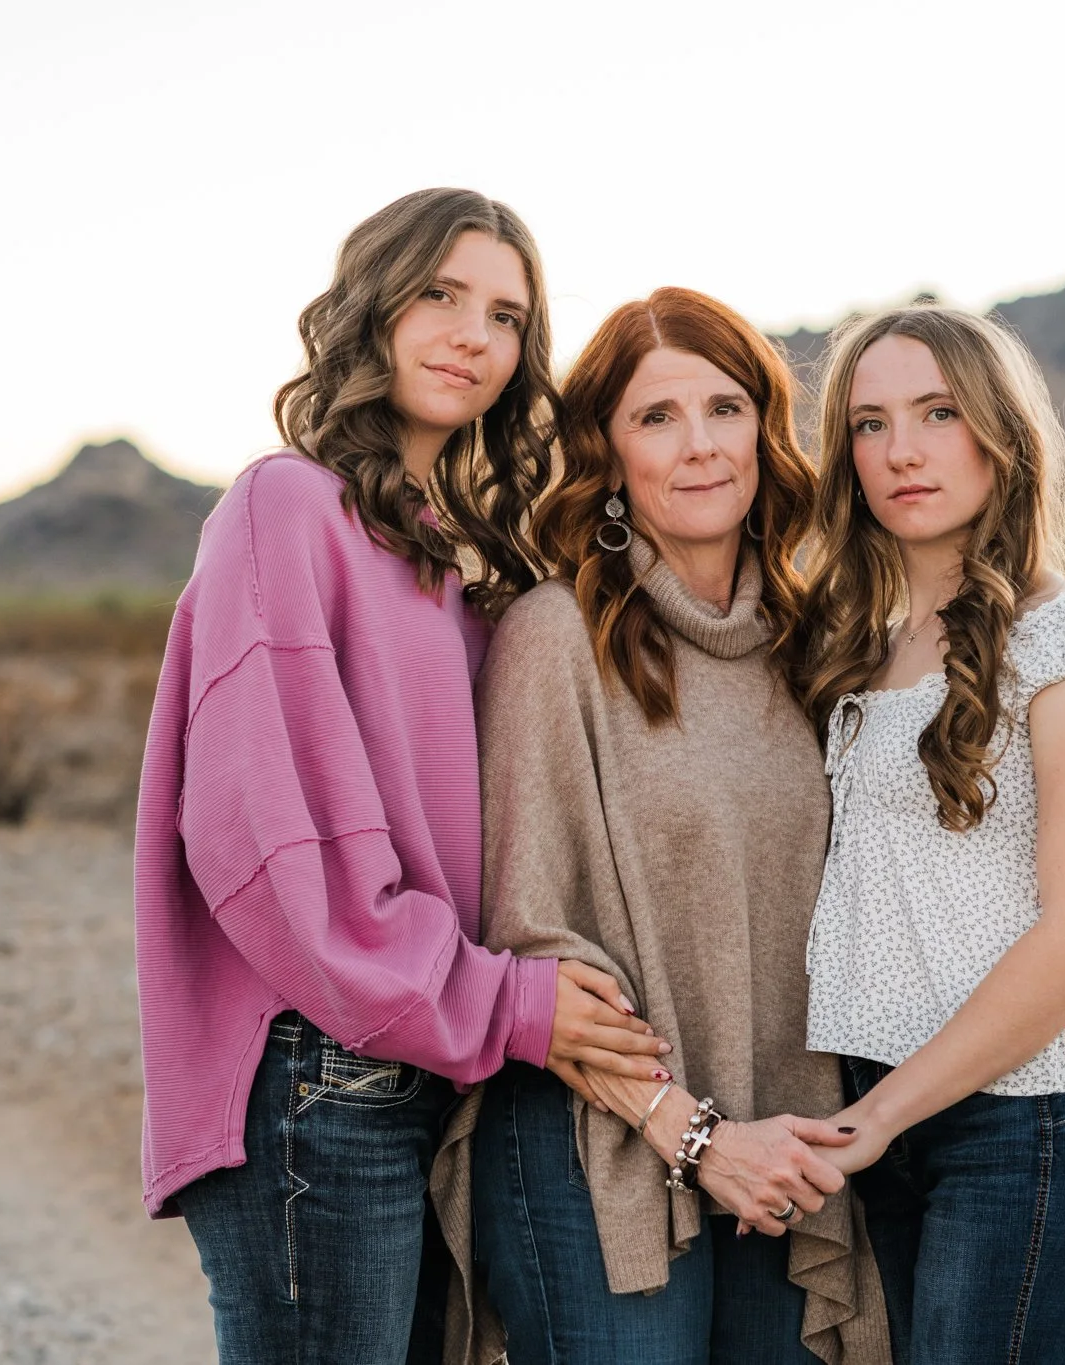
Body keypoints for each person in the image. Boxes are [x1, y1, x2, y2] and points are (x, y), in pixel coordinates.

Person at [132, 188, 669, 1365]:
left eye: (506, 315)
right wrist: (512, 1005)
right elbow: (270, 844)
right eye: (438, 294)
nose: (472, 334)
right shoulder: (287, 506)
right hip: (318, 1075)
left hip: (434, 1065)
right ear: (370, 304)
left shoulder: (457, 545)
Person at [437, 286, 888, 1365]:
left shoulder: (812, 640)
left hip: (782, 1141)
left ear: (763, 430)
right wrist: (691, 1134)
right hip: (592, 1135)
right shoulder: (558, 635)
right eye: (655, 418)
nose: (698, 448)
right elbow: (528, 936)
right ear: (606, 452)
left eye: (723, 409)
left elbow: (896, 868)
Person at [791, 304, 1065, 1365]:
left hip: (1026, 1129)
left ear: (1001, 434)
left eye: (937, 412)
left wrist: (882, 1119)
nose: (900, 450)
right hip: (877, 1112)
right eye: (867, 423)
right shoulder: (843, 644)